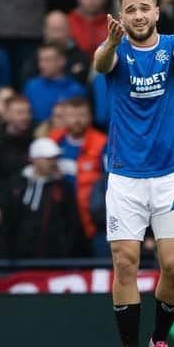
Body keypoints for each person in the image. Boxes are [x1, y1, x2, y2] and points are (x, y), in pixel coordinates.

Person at [93, 0, 174, 347]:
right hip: (124, 177)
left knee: (173, 267)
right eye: (131, 10)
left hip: (169, 175)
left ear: (156, 12)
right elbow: (101, 64)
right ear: (121, 17)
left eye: (144, 8)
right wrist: (107, 43)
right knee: (125, 264)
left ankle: (159, 342)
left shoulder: (173, 46)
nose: (138, 15)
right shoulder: (114, 50)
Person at [0, 138, 81, 259]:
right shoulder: (17, 185)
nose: (53, 162)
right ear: (34, 159)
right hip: (17, 257)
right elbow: (9, 220)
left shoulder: (63, 187)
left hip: (55, 258)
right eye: (48, 158)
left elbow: (72, 222)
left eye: (55, 158)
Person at [49, 97, 107, 256]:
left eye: (82, 115)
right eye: (72, 115)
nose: (77, 120)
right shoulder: (52, 141)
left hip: (93, 221)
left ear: (90, 116)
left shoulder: (102, 143)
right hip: (60, 219)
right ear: (64, 117)